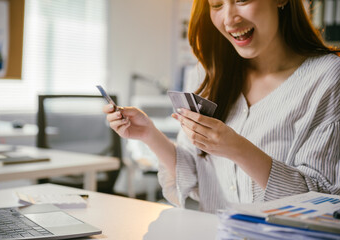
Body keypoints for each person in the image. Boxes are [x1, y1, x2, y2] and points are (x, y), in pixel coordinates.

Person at [103, 0, 340, 213]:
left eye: (241, 0)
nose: (229, 19)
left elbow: (321, 199)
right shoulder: (206, 73)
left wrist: (237, 148)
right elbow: (195, 176)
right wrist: (149, 134)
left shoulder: (326, 77)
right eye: (216, 5)